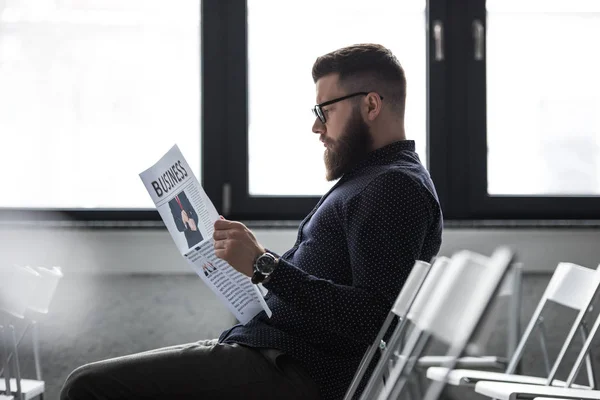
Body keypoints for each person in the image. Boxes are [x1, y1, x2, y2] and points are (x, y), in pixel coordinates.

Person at [60, 43, 443, 400]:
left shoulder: (393, 186)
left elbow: (371, 317)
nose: (316, 128)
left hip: (296, 371)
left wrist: (265, 266)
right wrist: (254, 265)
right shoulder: (371, 179)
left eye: (324, 111)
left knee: (88, 387)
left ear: (372, 105)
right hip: (275, 356)